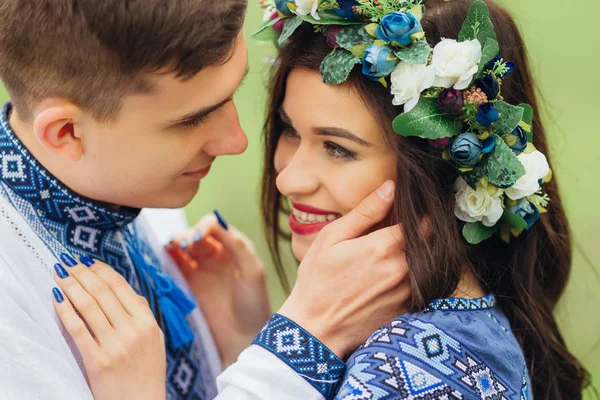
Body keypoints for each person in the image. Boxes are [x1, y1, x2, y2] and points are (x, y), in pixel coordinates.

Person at [56, 0, 593, 399]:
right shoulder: (411, 336)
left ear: (439, 170)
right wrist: (247, 340)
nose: (289, 179)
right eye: (290, 130)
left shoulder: (415, 374)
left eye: (337, 149)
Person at [0, 1, 411, 399]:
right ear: (66, 133)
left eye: (235, 92)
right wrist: (307, 337)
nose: (238, 141)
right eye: (193, 119)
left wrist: (235, 347)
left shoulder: (126, 191)